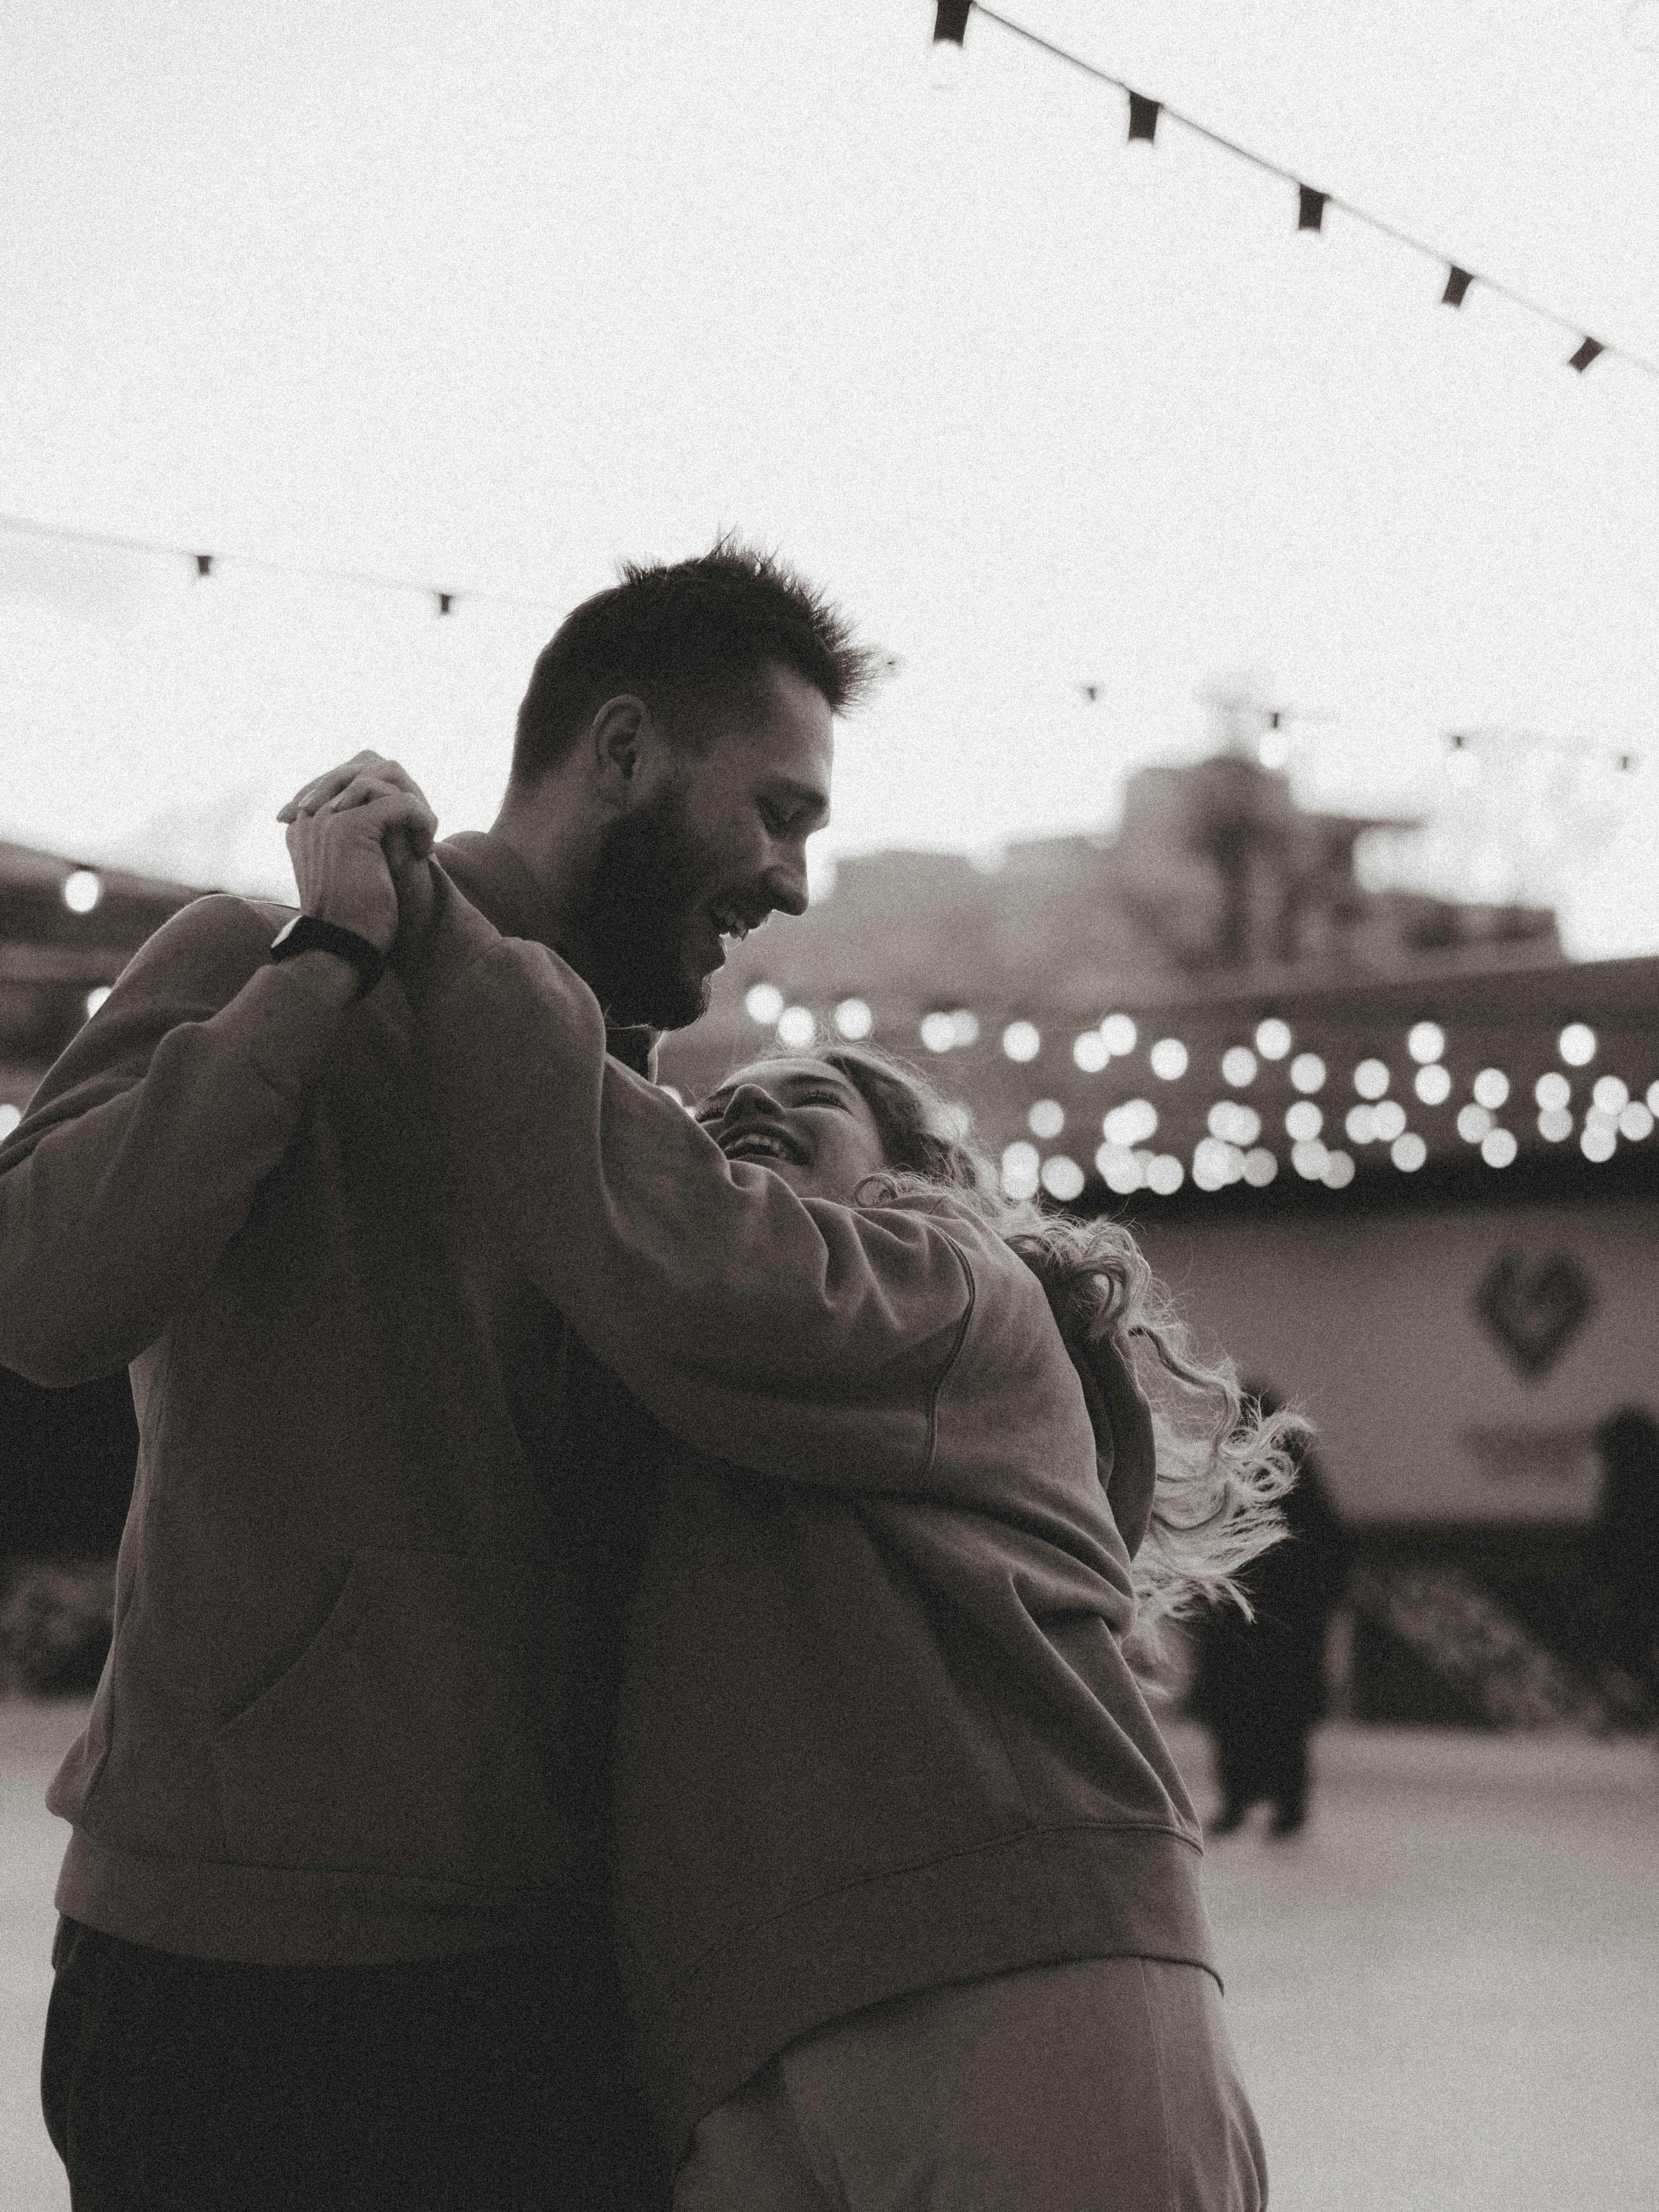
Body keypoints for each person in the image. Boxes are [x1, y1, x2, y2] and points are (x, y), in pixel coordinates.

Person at [280, 757, 1295, 2209]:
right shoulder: (686, 1390)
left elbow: (681, 1239)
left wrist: (435, 925)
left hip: (1023, 1974)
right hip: (740, 2033)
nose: (746, 1112)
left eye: (806, 1098)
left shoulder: (958, 1292)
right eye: (723, 1108)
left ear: (920, 1169)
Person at [0, 540, 877, 2211]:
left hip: (557, 1983)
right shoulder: (253, 962)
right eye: (776, 812)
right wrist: (324, 966)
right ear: (619, 754)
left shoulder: (647, 1138)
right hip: (233, 1968)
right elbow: (39, 1297)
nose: (789, 881)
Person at [1190, 1391, 1349, 1837]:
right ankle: (1281, 1804)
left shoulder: (1229, 1483)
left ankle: (1244, 1801)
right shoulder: (1301, 1486)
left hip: (1248, 1630)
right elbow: (1333, 1560)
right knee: (1279, 1721)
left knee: (1242, 1719)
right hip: (1282, 1633)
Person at [1588, 1406, 1659, 1727]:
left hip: (1633, 1586)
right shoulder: (1626, 1484)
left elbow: (1609, 1540)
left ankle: (1632, 1711)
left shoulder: (1622, 1486)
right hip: (1634, 1585)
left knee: (1630, 1648)